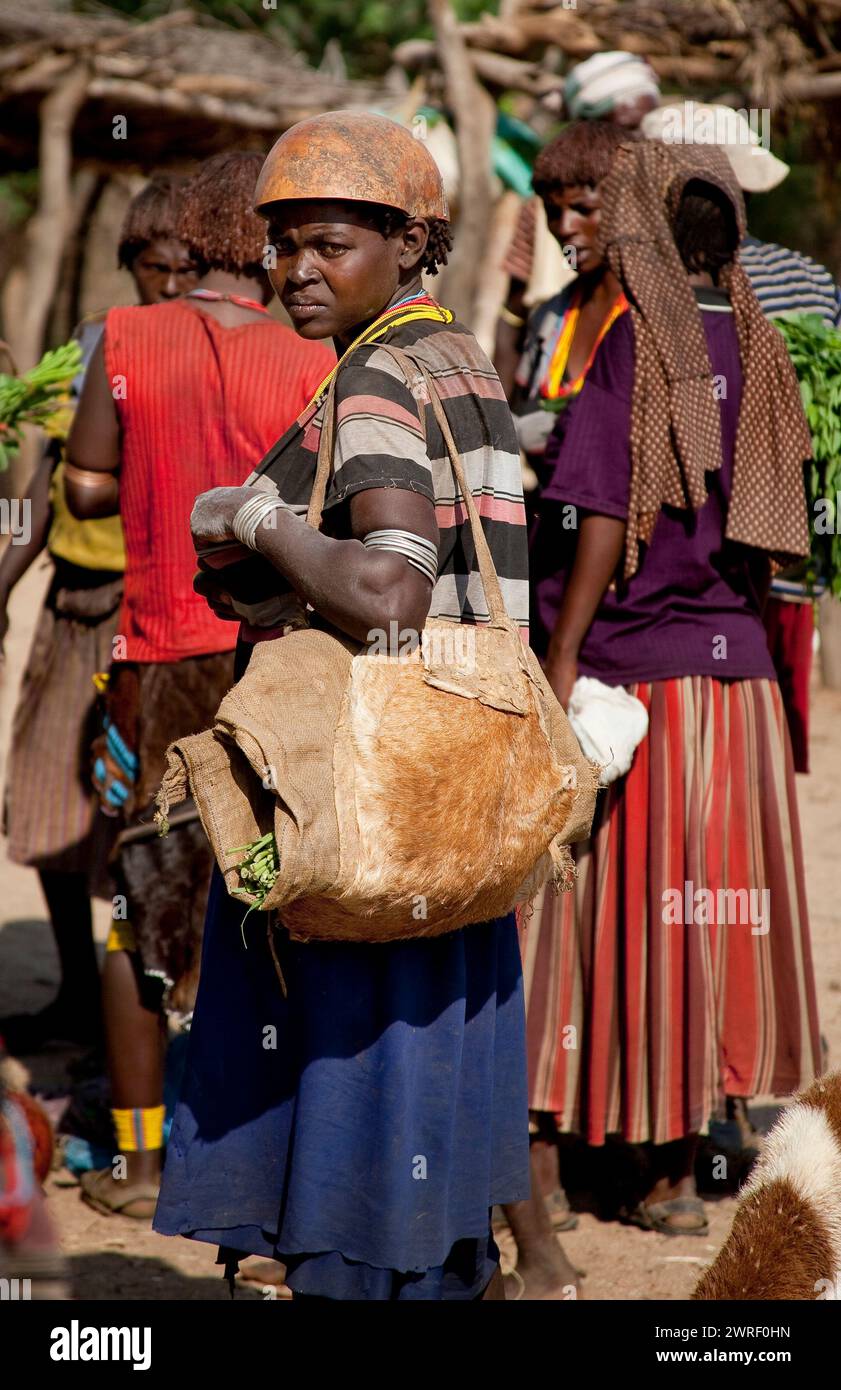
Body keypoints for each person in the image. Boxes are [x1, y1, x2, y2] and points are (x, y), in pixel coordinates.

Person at [154, 111, 531, 1301]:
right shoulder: (461, 359)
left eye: (328, 245)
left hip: (365, 784)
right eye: (283, 247)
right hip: (459, 771)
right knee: (431, 1047)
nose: (298, 271)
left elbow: (387, 587)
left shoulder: (372, 378)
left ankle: (344, 1263)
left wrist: (251, 517)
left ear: (411, 242)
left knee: (350, 1054)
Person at [526, 138, 821, 1237]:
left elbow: (602, 510)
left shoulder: (633, 348)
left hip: (641, 680)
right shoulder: (762, 350)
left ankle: (581, 1164)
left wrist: (560, 658)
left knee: (611, 919)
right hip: (734, 684)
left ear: (641, 229)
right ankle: (669, 1172)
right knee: (701, 923)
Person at [62, 152, 334, 1220]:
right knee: (270, 900)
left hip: (155, 662)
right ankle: (270, 1163)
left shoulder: (125, 340)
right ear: (261, 245)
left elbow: (85, 478)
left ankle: (140, 1165)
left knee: (140, 904)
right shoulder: (311, 357)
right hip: (274, 666)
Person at [0, 176, 199, 1054]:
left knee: (127, 820)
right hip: (71, 606)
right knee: (47, 801)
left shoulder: (192, 357)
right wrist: (6, 579)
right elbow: (43, 488)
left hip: (140, 614)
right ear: (129, 266)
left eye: (183, 269)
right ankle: (81, 997)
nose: (167, 284)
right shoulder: (90, 348)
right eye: (153, 268)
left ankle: (137, 1023)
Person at [642, 100, 841, 776]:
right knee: (766, 700)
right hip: (786, 509)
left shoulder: (663, 280)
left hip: (690, 530)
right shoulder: (810, 276)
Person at [494, 52, 660, 398]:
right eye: (624, 130)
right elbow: (513, 314)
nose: (566, 226)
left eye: (643, 128)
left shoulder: (663, 312)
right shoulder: (552, 316)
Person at [509, 123, 631, 482]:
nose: (565, 227)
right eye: (553, 212)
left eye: (583, 209)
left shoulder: (655, 316)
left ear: (627, 205)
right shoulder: (550, 318)